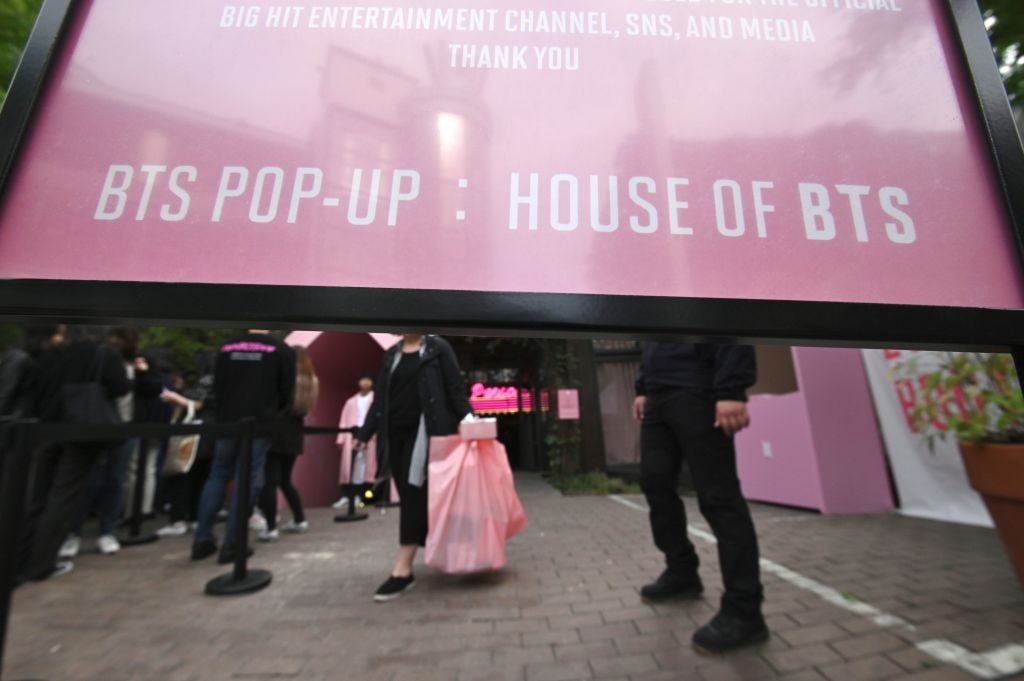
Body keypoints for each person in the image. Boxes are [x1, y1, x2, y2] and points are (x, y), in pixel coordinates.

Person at [632, 341, 766, 655]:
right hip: (658, 395)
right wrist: (643, 386)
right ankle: (682, 572)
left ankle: (744, 611)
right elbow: (650, 338)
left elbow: (733, 322)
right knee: (655, 485)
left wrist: (731, 389)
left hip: (698, 389)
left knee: (719, 498)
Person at [355, 334, 472, 602]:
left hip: (426, 434)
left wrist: (472, 422)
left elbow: (455, 389)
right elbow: (380, 401)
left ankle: (403, 569)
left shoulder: (437, 348)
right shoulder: (391, 354)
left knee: (411, 495)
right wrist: (364, 434)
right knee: (418, 496)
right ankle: (456, 550)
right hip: (393, 436)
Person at [19, 325, 131, 581]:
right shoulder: (103, 353)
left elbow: (35, 387)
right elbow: (121, 388)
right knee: (64, 495)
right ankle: (41, 563)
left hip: (48, 428)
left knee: (38, 494)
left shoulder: (53, 353)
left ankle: (20, 558)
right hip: (81, 429)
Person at [191, 330, 295, 564]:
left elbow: (217, 384)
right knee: (245, 479)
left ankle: (201, 539)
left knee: (217, 475)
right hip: (259, 423)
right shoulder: (279, 349)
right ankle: (232, 543)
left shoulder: (227, 346)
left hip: (227, 421)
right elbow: (287, 389)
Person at [61, 327, 145, 558]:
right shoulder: (102, 356)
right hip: (102, 423)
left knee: (113, 479)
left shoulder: (135, 362)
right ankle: (77, 531)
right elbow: (120, 389)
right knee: (93, 479)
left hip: (125, 426)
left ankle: (104, 530)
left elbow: (150, 389)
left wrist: (144, 375)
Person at [257, 345, 317, 541]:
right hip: (295, 433)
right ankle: (300, 519)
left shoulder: (286, 378)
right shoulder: (312, 381)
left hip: (277, 431)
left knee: (270, 481)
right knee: (285, 480)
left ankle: (270, 527)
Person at [333, 373, 377, 510]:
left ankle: (360, 495)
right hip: (352, 432)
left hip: (369, 434)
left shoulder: (375, 399)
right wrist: (341, 438)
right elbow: (343, 420)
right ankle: (346, 496)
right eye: (362, 380)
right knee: (349, 467)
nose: (365, 382)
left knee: (364, 466)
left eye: (368, 380)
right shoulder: (350, 401)